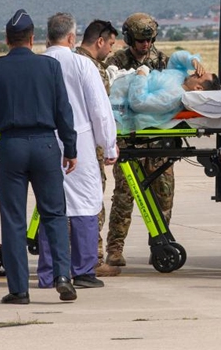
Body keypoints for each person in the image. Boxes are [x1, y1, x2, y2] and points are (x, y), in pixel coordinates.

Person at [0, 9, 78, 304]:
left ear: (6, 39)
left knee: (13, 219)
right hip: (45, 146)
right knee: (54, 214)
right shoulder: (50, 67)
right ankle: (63, 276)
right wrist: (71, 148)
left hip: (12, 147)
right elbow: (64, 111)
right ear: (32, 38)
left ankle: (19, 290)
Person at [37, 13, 118, 290]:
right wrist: (109, 144)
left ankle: (50, 273)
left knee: (50, 206)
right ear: (72, 38)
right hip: (79, 142)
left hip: (44, 142)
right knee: (85, 203)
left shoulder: (38, 64)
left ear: (48, 37)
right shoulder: (83, 65)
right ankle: (83, 270)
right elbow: (100, 110)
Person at [103, 12, 172, 267]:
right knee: (124, 196)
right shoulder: (116, 63)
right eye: (141, 40)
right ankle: (115, 248)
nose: (145, 45)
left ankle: (160, 245)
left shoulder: (163, 61)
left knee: (164, 196)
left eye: (149, 40)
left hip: (157, 140)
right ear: (130, 39)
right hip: (129, 141)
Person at [75, 19, 121, 277]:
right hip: (90, 148)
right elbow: (101, 113)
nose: (111, 49)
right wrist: (109, 145)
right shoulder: (93, 68)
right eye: (110, 43)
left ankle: (72, 257)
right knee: (92, 205)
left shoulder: (68, 62)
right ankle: (93, 258)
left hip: (66, 146)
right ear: (100, 41)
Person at [110, 50, 220, 132]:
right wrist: (192, 60)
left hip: (115, 97)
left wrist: (141, 75)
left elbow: (138, 102)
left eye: (199, 75)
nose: (196, 72)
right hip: (117, 83)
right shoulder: (181, 76)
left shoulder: (173, 97)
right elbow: (175, 58)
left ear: (198, 88)